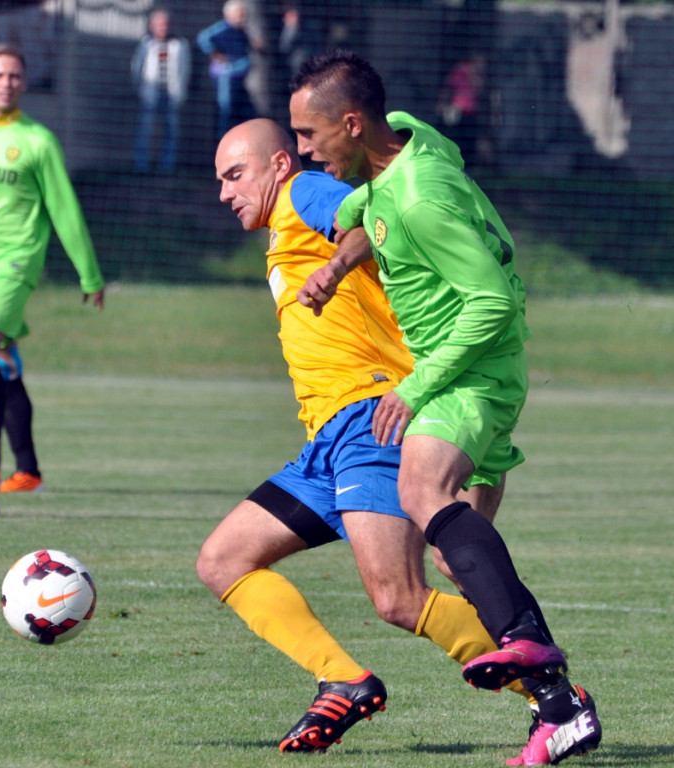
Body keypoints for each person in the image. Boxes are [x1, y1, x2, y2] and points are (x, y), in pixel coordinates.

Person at [291, 50, 602, 765]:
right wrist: (340, 263)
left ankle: (526, 642)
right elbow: (377, 200)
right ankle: (559, 710)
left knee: (420, 487)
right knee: (458, 559)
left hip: (473, 368)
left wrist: (415, 385)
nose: (305, 152)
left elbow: (489, 299)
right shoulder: (407, 137)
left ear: (350, 123)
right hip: (480, 369)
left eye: (309, 138)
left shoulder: (421, 196)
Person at [202, 117, 539, 756]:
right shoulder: (282, 229)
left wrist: (334, 265)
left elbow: (366, 222)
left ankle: (550, 692)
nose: (223, 192)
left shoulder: (304, 193)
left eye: (234, 175)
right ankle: (344, 680)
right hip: (326, 439)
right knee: (224, 560)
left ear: (278, 165)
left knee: (398, 597)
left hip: (371, 420)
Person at [0, 43, 105, 495]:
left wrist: (90, 274)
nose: (6, 83)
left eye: (14, 76)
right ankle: (27, 470)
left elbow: (64, 209)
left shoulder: (38, 140)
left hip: (16, 260)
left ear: (23, 83)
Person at [131, 8, 191, 174]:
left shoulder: (179, 44)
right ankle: (141, 166)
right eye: (159, 24)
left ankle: (167, 166)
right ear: (152, 26)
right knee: (146, 129)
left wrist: (181, 91)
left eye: (165, 24)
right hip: (151, 93)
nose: (163, 27)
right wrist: (139, 88)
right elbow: (137, 67)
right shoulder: (146, 44)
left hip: (171, 94)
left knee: (170, 130)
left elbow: (185, 70)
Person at [197, 0, 257, 139]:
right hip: (226, 77)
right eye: (240, 14)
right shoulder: (222, 28)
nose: (243, 17)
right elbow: (203, 38)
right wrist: (215, 53)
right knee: (226, 111)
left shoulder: (242, 31)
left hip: (240, 80)